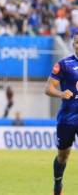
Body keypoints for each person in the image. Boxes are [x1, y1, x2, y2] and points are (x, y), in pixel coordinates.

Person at [45, 32, 78, 195]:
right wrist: (61, 93)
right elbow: (48, 88)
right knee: (62, 156)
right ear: (73, 44)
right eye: (77, 42)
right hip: (67, 118)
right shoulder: (64, 64)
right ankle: (58, 184)